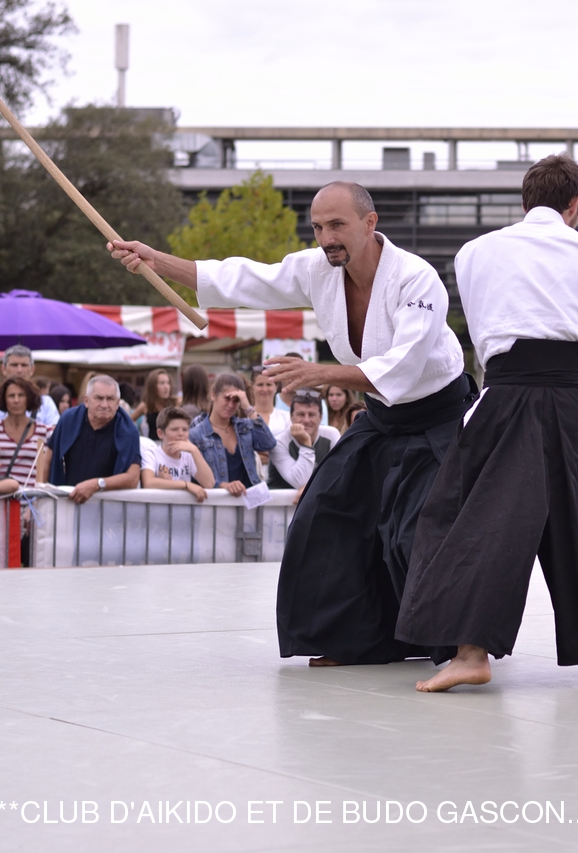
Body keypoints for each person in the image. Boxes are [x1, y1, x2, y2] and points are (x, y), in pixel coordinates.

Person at [110, 179, 471, 668]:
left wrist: (321, 373)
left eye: (337, 225)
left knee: (412, 531)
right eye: (318, 227)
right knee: (324, 512)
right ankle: (357, 640)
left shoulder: (416, 278)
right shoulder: (317, 269)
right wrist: (156, 260)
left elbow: (403, 367)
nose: (326, 239)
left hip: (439, 418)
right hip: (383, 417)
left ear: (370, 222)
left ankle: (451, 645)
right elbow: (243, 279)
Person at [396, 154, 578, 692]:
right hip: (574, 399)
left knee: (479, 520)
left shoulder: (474, 252)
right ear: (575, 205)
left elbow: (487, 326)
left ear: (525, 200)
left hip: (505, 396)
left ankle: (470, 653)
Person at [41, 375, 141, 504]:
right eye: (99, 398)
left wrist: (97, 484)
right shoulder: (69, 419)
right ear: (86, 401)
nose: (104, 405)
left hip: (108, 507)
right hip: (67, 502)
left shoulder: (128, 431)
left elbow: (132, 479)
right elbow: (47, 459)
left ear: (117, 403)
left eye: (110, 399)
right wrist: (38, 499)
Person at [187, 374, 277, 496]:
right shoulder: (196, 435)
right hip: (217, 503)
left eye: (236, 400)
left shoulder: (244, 427)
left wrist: (248, 408)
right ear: (213, 395)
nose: (230, 405)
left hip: (250, 501)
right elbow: (193, 475)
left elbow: (269, 444)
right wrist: (222, 485)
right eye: (227, 398)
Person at [0, 377, 53, 487]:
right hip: (1, 494)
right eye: (11, 396)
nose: (16, 400)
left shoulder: (46, 432)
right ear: (4, 399)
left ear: (29, 398)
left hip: (34, 495)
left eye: (21, 395)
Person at [269, 388, 341, 491]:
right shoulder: (279, 442)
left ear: (321, 417)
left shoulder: (332, 434)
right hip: (282, 499)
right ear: (291, 417)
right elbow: (300, 482)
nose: (306, 420)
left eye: (312, 415)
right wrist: (306, 444)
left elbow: (339, 473)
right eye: (301, 414)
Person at [139, 406, 214, 501]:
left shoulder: (188, 455)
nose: (181, 434)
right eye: (174, 429)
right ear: (160, 433)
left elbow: (209, 483)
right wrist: (186, 485)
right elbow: (148, 483)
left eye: (185, 429)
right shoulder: (151, 454)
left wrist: (195, 450)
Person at [0, 346, 60, 430]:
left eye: (24, 365)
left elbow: (54, 432)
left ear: (32, 369)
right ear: (4, 369)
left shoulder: (45, 402)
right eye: (14, 365)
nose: (19, 370)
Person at [133, 369, 179, 441]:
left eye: (168, 383)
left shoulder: (176, 402)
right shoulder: (146, 405)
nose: (166, 387)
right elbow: (130, 420)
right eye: (162, 383)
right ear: (153, 386)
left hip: (172, 444)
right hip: (153, 444)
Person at [250, 368, 291, 435]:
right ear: (252, 387)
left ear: (276, 387)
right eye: (260, 385)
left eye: (269, 385)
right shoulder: (244, 417)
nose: (265, 389)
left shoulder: (286, 417)